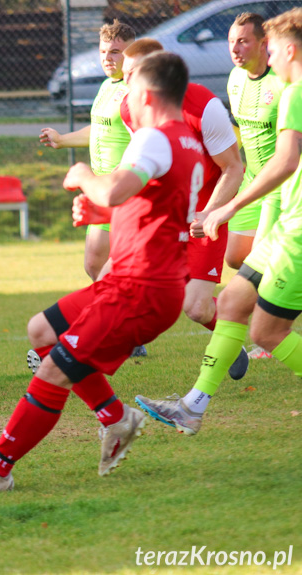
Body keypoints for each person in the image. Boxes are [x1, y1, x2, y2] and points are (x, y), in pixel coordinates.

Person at [0, 52, 206, 494]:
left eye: (129, 87)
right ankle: (117, 419)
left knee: (53, 372)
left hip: (139, 288)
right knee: (42, 331)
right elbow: (152, 207)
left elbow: (113, 186)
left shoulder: (154, 137)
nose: (124, 96)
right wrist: (102, 207)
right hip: (138, 280)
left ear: (145, 92)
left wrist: (83, 175)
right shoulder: (187, 142)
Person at [134, 8, 302, 436]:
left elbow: (283, 163)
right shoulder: (281, 89)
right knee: (231, 303)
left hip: (295, 225)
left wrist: (224, 208)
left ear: (285, 48)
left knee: (267, 332)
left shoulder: (293, 93)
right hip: (284, 218)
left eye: (270, 45)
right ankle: (192, 407)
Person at [117, 39, 248, 379]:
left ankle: (234, 336)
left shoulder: (204, 106)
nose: (128, 83)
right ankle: (78, 352)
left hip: (205, 213)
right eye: (126, 74)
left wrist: (211, 212)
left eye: (136, 74)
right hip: (168, 216)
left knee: (196, 307)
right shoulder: (129, 108)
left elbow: (234, 167)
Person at [39, 20, 135, 282]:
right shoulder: (107, 87)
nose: (108, 58)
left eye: (115, 52)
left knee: (114, 271)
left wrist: (125, 174)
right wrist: (62, 140)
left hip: (125, 191)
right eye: (103, 52)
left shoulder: (136, 91)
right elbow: (99, 129)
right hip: (100, 190)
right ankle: (120, 316)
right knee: (94, 265)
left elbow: (145, 141)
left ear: (132, 53)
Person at [226, 12, 287, 361]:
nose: (235, 48)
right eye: (232, 41)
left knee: (260, 267)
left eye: (243, 41)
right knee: (237, 257)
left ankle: (267, 336)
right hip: (252, 181)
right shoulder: (235, 79)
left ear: (264, 44)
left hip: (280, 184)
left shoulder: (283, 82)